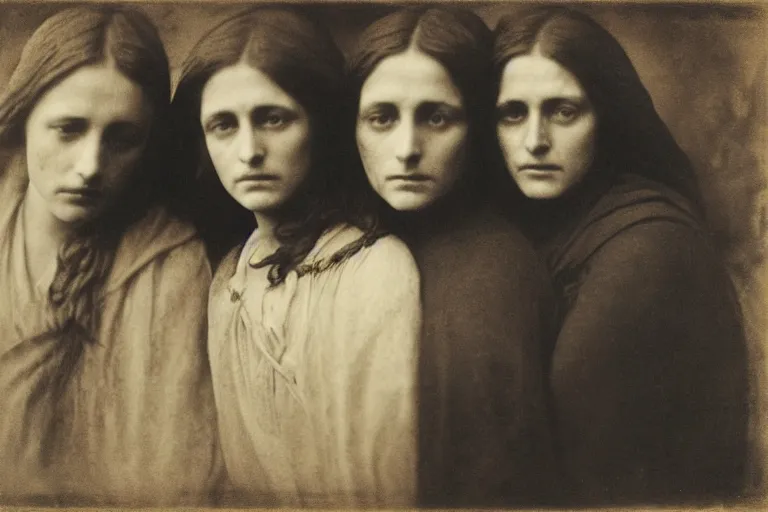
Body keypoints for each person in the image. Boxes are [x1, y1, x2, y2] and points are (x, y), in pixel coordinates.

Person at [492, 6, 748, 505]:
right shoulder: (543, 225)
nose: (535, 141)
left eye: (564, 111)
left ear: (607, 117)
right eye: (512, 113)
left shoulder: (650, 249)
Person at [171, 7, 420, 507]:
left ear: (322, 126)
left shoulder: (374, 271)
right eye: (223, 125)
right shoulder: (228, 282)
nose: (249, 152)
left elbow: (383, 489)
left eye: (273, 119)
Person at [0, 5, 221, 506]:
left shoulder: (169, 263)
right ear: (24, 117)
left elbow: (171, 475)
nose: (90, 166)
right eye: (68, 128)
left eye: (122, 139)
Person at [349, 7, 557, 507]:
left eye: (436, 117)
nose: (406, 149)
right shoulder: (357, 242)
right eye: (382, 118)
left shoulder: (492, 276)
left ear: (478, 127)